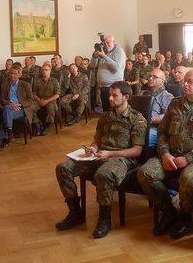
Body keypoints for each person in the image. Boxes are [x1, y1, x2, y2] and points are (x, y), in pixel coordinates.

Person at [137, 67, 193, 239]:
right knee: (145, 173)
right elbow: (162, 132)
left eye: (190, 82)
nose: (185, 85)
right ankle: (169, 211)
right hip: (171, 155)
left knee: (189, 178)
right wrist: (164, 153)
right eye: (184, 81)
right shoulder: (175, 103)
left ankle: (185, 216)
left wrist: (188, 158)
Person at [55, 81, 146, 238]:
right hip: (100, 155)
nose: (110, 98)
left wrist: (109, 154)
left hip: (122, 159)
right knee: (63, 168)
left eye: (114, 95)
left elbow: (136, 151)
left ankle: (105, 219)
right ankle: (76, 213)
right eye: (109, 95)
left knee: (103, 174)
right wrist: (93, 149)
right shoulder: (105, 116)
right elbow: (97, 140)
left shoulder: (137, 119)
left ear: (126, 97)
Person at [0, 67, 35, 150]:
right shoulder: (4, 85)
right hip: (9, 108)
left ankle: (6, 138)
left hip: (21, 109)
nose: (12, 75)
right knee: (7, 109)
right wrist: (11, 104)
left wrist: (19, 105)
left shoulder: (25, 85)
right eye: (11, 73)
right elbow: (2, 100)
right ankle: (9, 133)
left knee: (5, 113)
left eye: (15, 74)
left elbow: (31, 100)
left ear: (19, 75)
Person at [92, 33, 126, 111]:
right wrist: (95, 56)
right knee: (106, 111)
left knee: (114, 110)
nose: (106, 45)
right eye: (105, 43)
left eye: (108, 42)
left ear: (113, 41)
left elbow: (116, 67)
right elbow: (93, 65)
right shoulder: (104, 51)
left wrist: (104, 56)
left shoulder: (118, 51)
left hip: (114, 86)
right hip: (104, 87)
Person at [142, 69, 174, 148]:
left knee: (142, 137)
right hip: (139, 124)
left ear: (162, 81)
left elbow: (169, 116)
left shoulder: (167, 97)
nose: (150, 78)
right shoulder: (142, 93)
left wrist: (152, 119)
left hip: (155, 127)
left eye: (154, 77)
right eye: (150, 76)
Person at [32, 64, 60, 136]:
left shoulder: (54, 81)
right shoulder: (37, 81)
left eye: (46, 70)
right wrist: (39, 100)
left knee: (51, 107)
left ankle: (47, 126)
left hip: (51, 100)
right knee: (30, 108)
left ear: (50, 71)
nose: (44, 71)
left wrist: (47, 101)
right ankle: (38, 125)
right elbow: (34, 93)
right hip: (39, 100)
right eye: (43, 70)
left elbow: (57, 94)